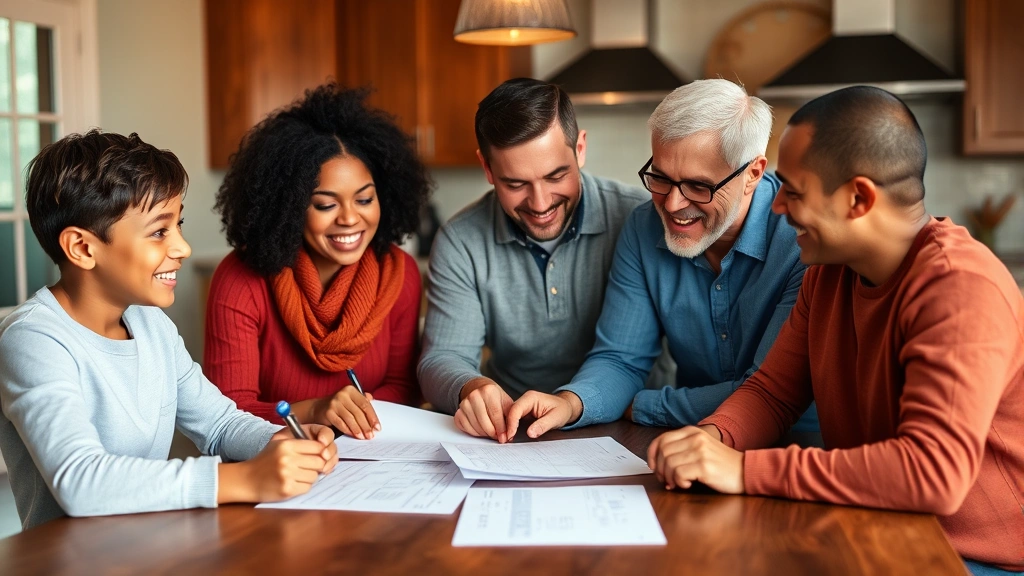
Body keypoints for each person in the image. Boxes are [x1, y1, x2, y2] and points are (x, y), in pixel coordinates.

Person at [647, 86, 1023, 575]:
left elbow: (933, 475)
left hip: (973, 558)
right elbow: (773, 393)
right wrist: (712, 440)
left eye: (795, 191)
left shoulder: (959, 286)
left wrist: (741, 469)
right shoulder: (828, 272)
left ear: (858, 199)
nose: (776, 206)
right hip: (882, 527)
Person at [0, 130, 338, 530]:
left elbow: (220, 425)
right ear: (83, 248)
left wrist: (277, 443)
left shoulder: (149, 323)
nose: (183, 247)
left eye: (178, 225)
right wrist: (243, 478)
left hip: (148, 546)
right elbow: (80, 481)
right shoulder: (32, 340)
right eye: (160, 232)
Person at [503, 79, 817, 440]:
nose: (672, 205)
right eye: (661, 179)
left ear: (753, 174)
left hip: (798, 451)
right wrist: (572, 403)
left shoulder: (801, 240)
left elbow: (769, 391)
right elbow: (621, 358)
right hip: (685, 445)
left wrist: (643, 405)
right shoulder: (642, 227)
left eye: (699, 186)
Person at [418, 78, 648, 442]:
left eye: (556, 175)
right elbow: (442, 357)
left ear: (581, 148)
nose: (540, 204)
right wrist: (471, 387)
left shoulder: (639, 219)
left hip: (631, 423)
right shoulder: (460, 240)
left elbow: (628, 358)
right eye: (515, 184)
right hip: (516, 432)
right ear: (487, 169)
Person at [206, 84, 430, 439]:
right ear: (289, 206)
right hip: (275, 468)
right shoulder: (240, 279)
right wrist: (318, 410)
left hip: (370, 460)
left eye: (365, 199)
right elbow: (225, 414)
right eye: (326, 205)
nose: (350, 219)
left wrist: (355, 415)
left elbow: (403, 386)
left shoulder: (398, 273)